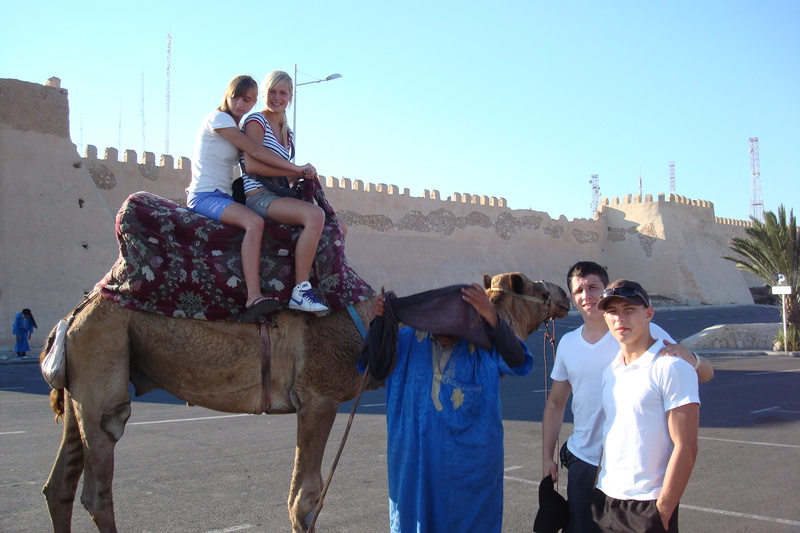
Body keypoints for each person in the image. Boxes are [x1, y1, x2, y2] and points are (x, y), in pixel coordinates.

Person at [540, 262, 712, 532]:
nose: (586, 295)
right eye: (579, 291)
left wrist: (693, 358)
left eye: (593, 287)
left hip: (643, 485)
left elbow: (700, 374)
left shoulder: (644, 333)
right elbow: (555, 403)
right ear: (572, 298)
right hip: (588, 465)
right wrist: (546, 457)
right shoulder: (573, 346)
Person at [372, 284, 533, 533]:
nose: (445, 332)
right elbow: (376, 366)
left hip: (469, 469)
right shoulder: (405, 342)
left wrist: (491, 316)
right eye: (438, 326)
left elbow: (518, 361)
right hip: (415, 463)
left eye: (453, 325)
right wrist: (380, 323)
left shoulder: (484, 347)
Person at [185, 74, 317, 317]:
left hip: (224, 196)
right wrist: (297, 168)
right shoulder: (219, 119)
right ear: (227, 95)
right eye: (235, 97)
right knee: (254, 222)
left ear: (254, 102)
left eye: (246, 100)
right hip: (205, 195)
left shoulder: (237, 127)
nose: (239, 104)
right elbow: (255, 153)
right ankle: (254, 296)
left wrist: (298, 176)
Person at [591, 279, 700, 532]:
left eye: (629, 309)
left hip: (647, 506)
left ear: (648, 313)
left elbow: (686, 446)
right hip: (605, 500)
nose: (620, 318)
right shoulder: (611, 371)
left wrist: (662, 513)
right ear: (605, 318)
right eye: (612, 311)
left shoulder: (671, 367)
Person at [239, 70, 329, 315]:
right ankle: (301, 291)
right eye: (272, 92)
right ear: (264, 93)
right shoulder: (256, 121)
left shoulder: (287, 133)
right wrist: (296, 168)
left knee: (336, 225)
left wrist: (301, 175)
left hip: (278, 196)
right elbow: (252, 166)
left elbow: (280, 177)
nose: (277, 97)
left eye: (283, 93)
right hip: (259, 197)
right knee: (315, 215)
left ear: (290, 97)